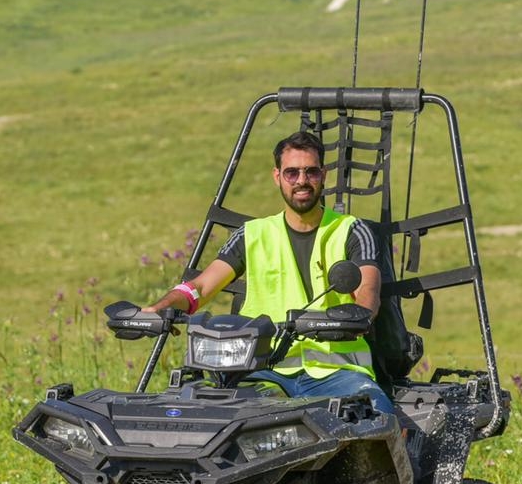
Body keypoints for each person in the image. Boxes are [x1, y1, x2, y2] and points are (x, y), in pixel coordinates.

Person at [144, 130, 394, 414]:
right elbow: (199, 288)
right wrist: (159, 308)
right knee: (199, 412)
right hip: (262, 370)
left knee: (377, 413)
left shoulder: (352, 230)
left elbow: (368, 292)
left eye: (311, 172)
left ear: (323, 175)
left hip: (335, 372)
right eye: (292, 173)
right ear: (277, 177)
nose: (302, 181)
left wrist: (357, 316)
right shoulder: (252, 234)